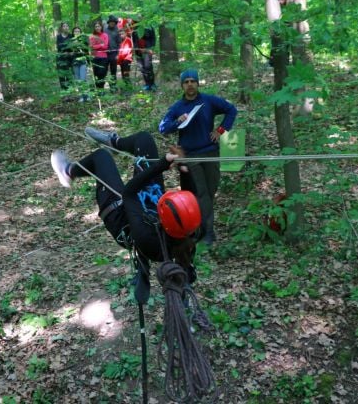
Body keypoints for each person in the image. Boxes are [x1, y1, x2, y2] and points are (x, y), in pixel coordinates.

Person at [50, 129, 201, 302]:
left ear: (164, 217)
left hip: (120, 214)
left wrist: (161, 165)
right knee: (145, 140)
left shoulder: (148, 238)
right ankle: (115, 143)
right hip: (150, 206)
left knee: (101, 157)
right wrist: (184, 169)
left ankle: (68, 172)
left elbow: (129, 194)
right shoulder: (191, 225)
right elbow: (192, 195)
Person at [158, 69, 238, 245]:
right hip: (190, 155)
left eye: (193, 81)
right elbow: (163, 128)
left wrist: (220, 131)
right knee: (201, 193)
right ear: (182, 85)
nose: (190, 84)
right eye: (186, 81)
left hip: (210, 152)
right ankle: (206, 233)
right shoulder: (178, 107)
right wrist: (177, 122)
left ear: (198, 83)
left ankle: (200, 228)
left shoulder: (208, 101)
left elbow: (231, 110)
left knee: (209, 192)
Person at [132, 20, 157, 91]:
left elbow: (153, 38)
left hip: (147, 50)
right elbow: (133, 40)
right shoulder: (135, 28)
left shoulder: (149, 27)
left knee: (148, 66)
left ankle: (152, 84)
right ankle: (147, 84)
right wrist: (137, 48)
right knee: (142, 68)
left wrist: (151, 48)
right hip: (138, 51)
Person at [69, 26, 90, 101]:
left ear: (80, 33)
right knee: (78, 80)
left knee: (83, 79)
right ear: (73, 33)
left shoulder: (84, 40)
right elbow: (69, 52)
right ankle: (81, 96)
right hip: (75, 62)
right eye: (75, 31)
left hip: (83, 61)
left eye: (78, 31)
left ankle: (87, 96)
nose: (77, 32)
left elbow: (87, 50)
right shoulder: (71, 41)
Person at [89, 21, 109, 90]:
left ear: (101, 27)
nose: (97, 28)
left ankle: (102, 88)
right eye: (96, 26)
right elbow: (91, 46)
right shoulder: (92, 36)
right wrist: (101, 45)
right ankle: (97, 89)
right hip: (95, 57)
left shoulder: (105, 35)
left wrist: (96, 46)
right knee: (96, 73)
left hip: (103, 57)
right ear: (94, 28)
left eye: (98, 26)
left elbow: (106, 46)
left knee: (102, 73)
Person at [104, 15, 121, 89]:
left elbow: (119, 43)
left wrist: (118, 54)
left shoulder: (117, 30)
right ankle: (102, 86)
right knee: (103, 70)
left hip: (114, 53)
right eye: (111, 22)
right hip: (104, 53)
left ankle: (113, 87)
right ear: (109, 22)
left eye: (114, 22)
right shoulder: (104, 30)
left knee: (113, 71)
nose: (112, 24)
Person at [56, 22, 73, 90]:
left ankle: (69, 92)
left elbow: (72, 47)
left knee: (69, 75)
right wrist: (67, 47)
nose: (65, 27)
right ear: (62, 28)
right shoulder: (59, 36)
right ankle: (64, 92)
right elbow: (59, 47)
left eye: (67, 26)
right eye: (64, 26)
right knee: (62, 76)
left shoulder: (71, 36)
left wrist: (67, 51)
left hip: (69, 58)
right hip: (61, 58)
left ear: (68, 27)